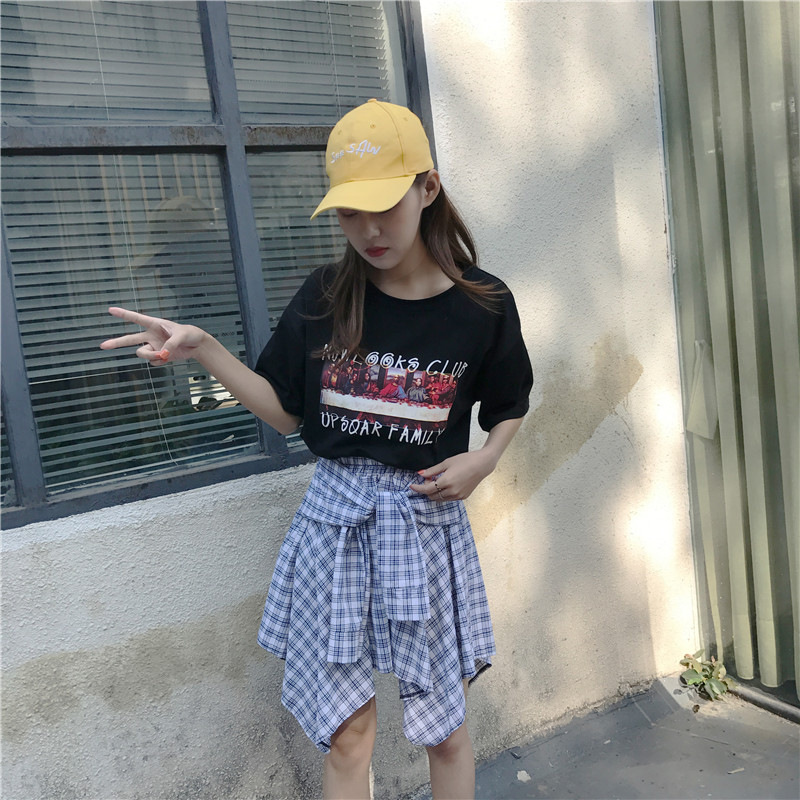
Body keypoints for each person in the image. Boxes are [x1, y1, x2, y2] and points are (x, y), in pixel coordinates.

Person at [101, 99, 533, 800]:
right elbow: (286, 410)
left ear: (428, 188)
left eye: (383, 207)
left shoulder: (482, 304)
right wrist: (204, 348)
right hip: (335, 527)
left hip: (424, 526)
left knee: (445, 728)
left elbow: (509, 404)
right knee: (348, 733)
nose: (368, 230)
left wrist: (485, 460)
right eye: (349, 213)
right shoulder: (326, 295)